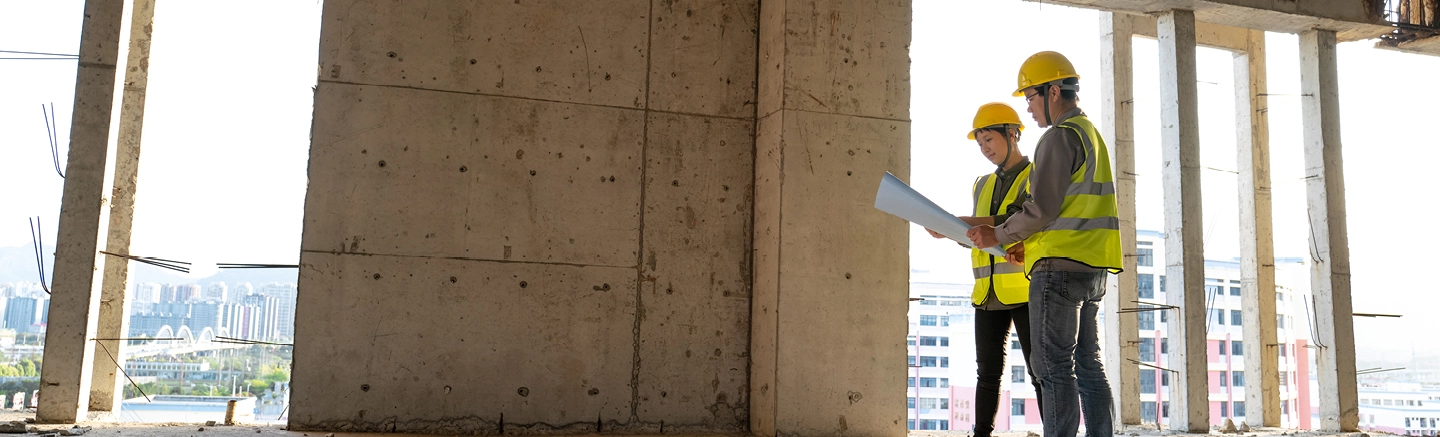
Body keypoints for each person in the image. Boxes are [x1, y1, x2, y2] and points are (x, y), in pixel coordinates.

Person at [966, 51, 1122, 437]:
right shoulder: (1090, 134)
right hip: (1093, 267)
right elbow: (1071, 208)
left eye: (1031, 98)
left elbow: (1042, 209)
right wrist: (1025, 246)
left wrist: (999, 235)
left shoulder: (1058, 137)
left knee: (1051, 368)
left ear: (1053, 91)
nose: (1030, 109)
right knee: (1088, 364)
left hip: (1059, 273)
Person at [927, 102, 1044, 436]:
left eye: (989, 139)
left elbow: (1016, 220)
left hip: (1025, 288)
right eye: (980, 143)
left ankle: (1054, 431)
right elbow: (981, 236)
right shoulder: (981, 184)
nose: (985, 148)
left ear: (1012, 133)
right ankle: (981, 434)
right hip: (988, 291)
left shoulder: (1035, 174)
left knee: (1040, 372)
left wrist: (962, 222)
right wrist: (951, 231)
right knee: (987, 373)